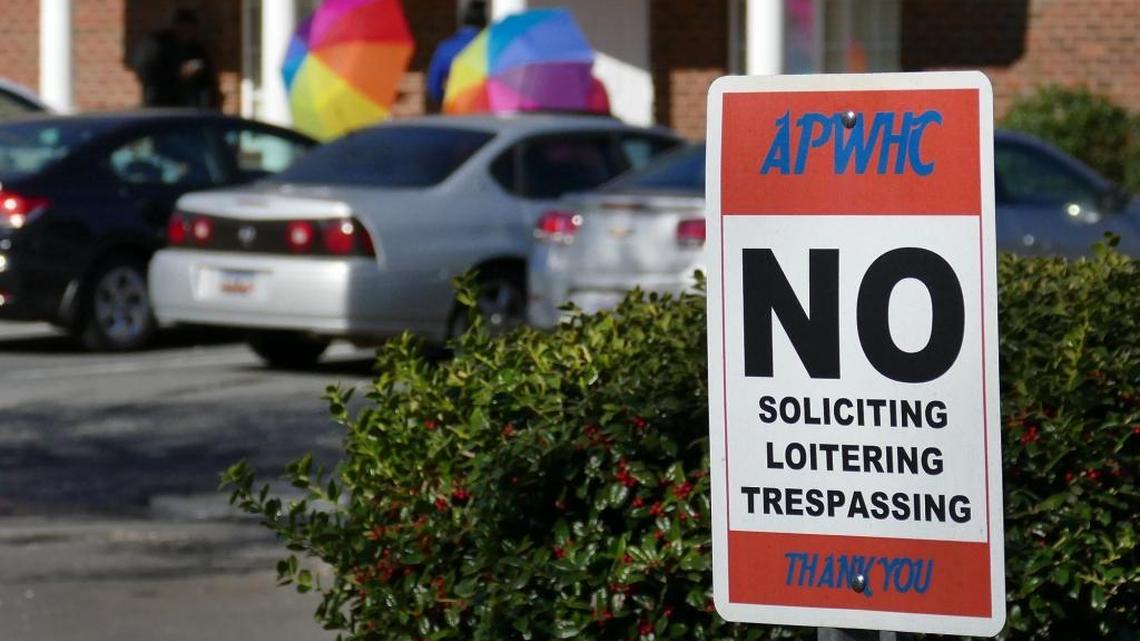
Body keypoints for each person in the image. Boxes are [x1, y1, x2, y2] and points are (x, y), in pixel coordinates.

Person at [129, 9, 221, 109]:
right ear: (176, 27)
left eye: (191, 30)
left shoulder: (196, 49)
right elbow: (150, 71)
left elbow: (206, 76)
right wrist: (178, 72)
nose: (187, 33)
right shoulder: (159, 45)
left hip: (188, 103)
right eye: (184, 28)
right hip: (161, 101)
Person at [426, 0, 487, 111]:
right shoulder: (488, 48)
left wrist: (447, 98)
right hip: (483, 111)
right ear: (484, 24)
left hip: (454, 111)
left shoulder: (445, 48)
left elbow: (433, 87)